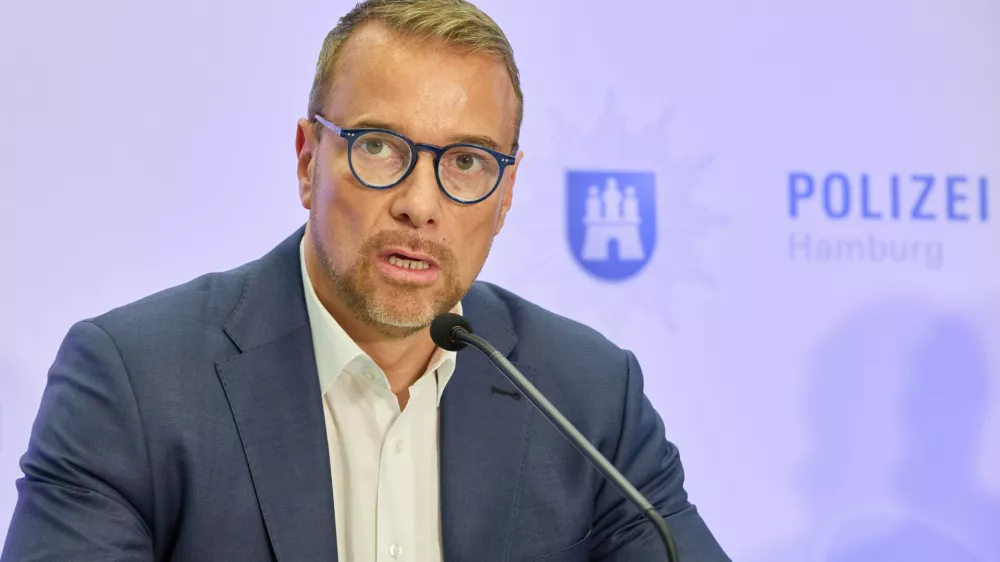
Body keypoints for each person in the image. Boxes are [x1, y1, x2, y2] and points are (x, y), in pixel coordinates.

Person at [2, 0, 729, 560]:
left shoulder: (589, 398)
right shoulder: (134, 385)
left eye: (467, 162)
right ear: (306, 160)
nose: (420, 204)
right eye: (379, 146)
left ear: (507, 195)